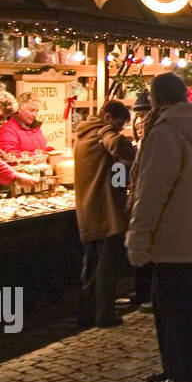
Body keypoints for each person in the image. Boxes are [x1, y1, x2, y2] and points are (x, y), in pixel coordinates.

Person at [126, 72, 192, 382]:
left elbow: (152, 191)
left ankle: (184, 376)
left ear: (156, 99)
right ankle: (180, 368)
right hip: (187, 229)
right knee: (179, 306)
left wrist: (138, 236)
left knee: (172, 309)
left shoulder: (165, 133)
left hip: (169, 233)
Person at [73, 99, 136, 329]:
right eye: (119, 125)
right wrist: (132, 152)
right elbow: (118, 145)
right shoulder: (103, 131)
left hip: (88, 210)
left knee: (90, 265)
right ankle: (105, 314)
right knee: (107, 266)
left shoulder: (82, 135)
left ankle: (86, 314)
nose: (120, 130)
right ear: (107, 117)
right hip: (107, 210)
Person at [127, 90, 154, 313]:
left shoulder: (153, 145)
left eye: (144, 118)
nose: (140, 123)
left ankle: (148, 296)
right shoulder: (141, 146)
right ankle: (143, 293)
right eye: (138, 119)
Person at [0, 90, 50, 155]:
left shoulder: (35, 128)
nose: (35, 114)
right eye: (31, 110)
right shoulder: (7, 130)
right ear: (19, 109)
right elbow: (9, 155)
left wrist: (49, 151)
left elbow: (38, 150)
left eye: (37, 111)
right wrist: (36, 155)